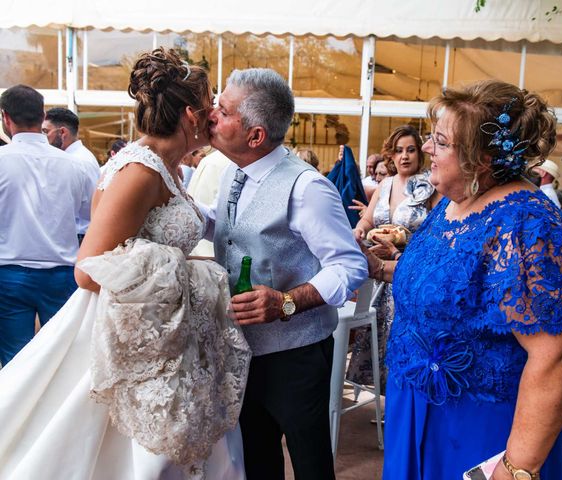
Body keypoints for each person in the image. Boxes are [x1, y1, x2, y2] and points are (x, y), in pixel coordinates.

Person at [0, 48, 251, 479]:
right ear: (191, 115)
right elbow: (88, 266)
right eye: (210, 104)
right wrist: (187, 271)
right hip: (125, 338)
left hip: (161, 334)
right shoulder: (140, 170)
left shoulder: (166, 167)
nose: (214, 114)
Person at [378, 80, 562, 480]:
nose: (427, 148)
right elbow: (454, 289)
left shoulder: (527, 223)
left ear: (479, 159)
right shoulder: (451, 202)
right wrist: (382, 267)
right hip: (412, 407)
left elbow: (556, 354)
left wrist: (515, 468)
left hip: (477, 431)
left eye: (440, 142)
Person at [203, 67, 368, 480]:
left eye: (222, 111)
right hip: (241, 350)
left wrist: (287, 302)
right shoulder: (231, 173)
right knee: (256, 459)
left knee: (310, 464)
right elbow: (232, 228)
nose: (210, 115)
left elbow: (350, 266)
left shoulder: (307, 188)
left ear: (255, 135)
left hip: (296, 355)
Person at [0, 85, 93, 366]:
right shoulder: (71, 165)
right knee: (61, 360)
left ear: (5, 118)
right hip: (61, 271)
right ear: (42, 116)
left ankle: (14, 410)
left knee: (15, 362)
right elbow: (90, 216)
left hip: (10, 273)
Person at [347, 125, 439, 392]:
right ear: (391, 154)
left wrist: (401, 245)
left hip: (407, 271)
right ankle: (381, 394)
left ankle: (400, 398)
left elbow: (435, 232)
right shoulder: (385, 184)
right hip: (378, 279)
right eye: (399, 151)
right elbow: (367, 218)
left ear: (420, 154)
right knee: (378, 336)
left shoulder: (429, 186)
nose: (405, 156)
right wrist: (360, 229)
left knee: (404, 336)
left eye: (411, 150)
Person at [43, 107, 101, 243]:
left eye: (45, 131)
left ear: (62, 132)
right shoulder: (74, 158)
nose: (42, 137)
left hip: (80, 237)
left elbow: (91, 207)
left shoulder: (79, 161)